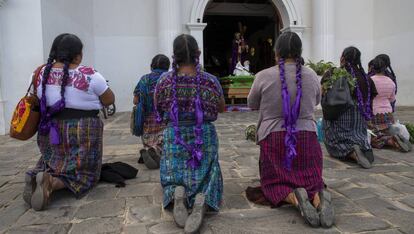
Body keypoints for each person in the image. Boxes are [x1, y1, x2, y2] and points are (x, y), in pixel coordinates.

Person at [248, 32, 334, 228]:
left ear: (276, 52)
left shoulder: (263, 75)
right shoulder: (311, 75)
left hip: (273, 137)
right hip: (307, 137)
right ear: (300, 52)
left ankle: (293, 198)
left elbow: (252, 103)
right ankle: (318, 197)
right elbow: (317, 101)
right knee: (313, 179)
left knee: (273, 182)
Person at [24, 34, 115, 211]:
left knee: (53, 158)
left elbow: (32, 99)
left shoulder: (38, 74)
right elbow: (109, 100)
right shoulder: (90, 74)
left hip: (50, 131)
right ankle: (53, 182)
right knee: (86, 173)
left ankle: (36, 175)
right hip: (83, 131)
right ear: (78, 55)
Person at [155, 34, 225, 234]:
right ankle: (202, 200)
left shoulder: (164, 81)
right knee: (209, 171)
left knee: (173, 173)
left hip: (174, 134)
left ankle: (177, 191)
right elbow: (221, 108)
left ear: (174, 56)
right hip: (204, 135)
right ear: (198, 54)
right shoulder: (211, 81)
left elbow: (158, 108)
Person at [322, 46, 377, 168]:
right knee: (360, 137)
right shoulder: (367, 78)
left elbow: (324, 96)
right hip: (358, 127)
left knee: (332, 141)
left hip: (339, 123)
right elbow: (370, 103)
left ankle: (351, 152)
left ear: (342, 58)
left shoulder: (333, 73)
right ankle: (362, 147)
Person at [134, 54, 170, 169]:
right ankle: (156, 151)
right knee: (163, 138)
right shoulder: (169, 79)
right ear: (167, 67)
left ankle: (149, 150)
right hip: (164, 117)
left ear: (151, 66)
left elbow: (136, 100)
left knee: (148, 136)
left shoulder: (144, 79)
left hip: (147, 116)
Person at [368, 57, 411, 152]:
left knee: (372, 137)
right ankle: (393, 137)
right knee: (386, 130)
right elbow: (392, 99)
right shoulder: (390, 81)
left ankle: (390, 140)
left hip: (373, 113)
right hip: (388, 114)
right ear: (384, 68)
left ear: (373, 68)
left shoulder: (370, 80)